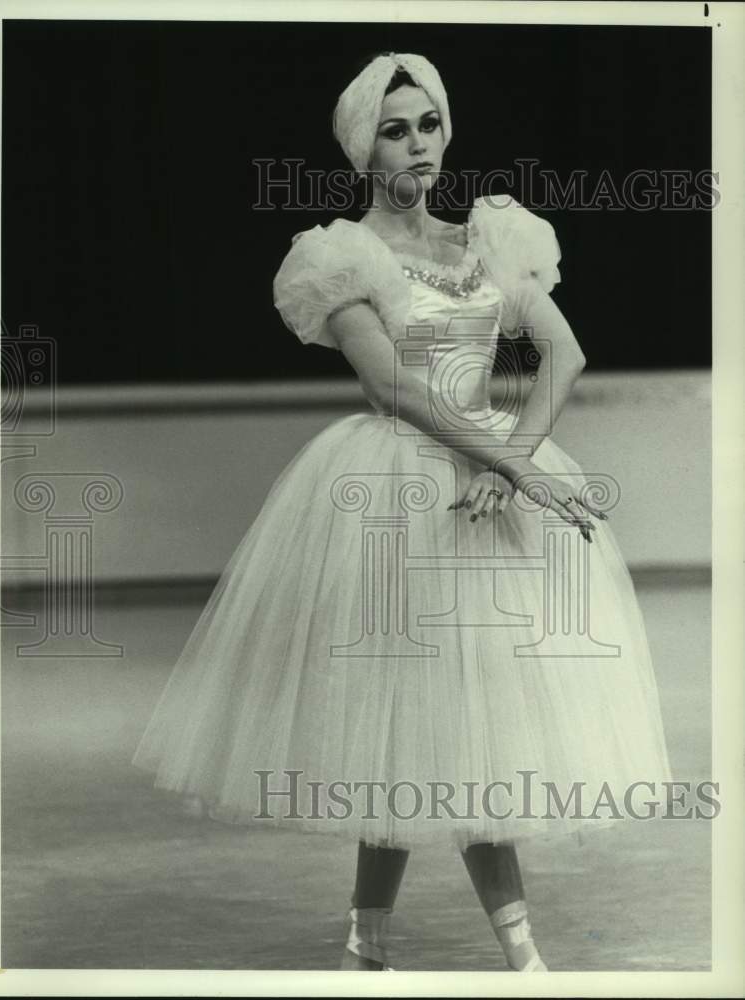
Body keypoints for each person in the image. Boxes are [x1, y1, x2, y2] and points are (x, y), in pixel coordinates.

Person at [132, 51, 672, 973]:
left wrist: (514, 464)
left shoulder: (491, 241)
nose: (418, 145)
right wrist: (500, 456)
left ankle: (400, 949)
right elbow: (389, 386)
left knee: (459, 730)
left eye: (428, 124)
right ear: (362, 149)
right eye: (395, 130)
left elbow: (566, 357)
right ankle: (435, 953)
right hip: (397, 497)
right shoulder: (343, 257)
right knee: (403, 728)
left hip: (485, 498)